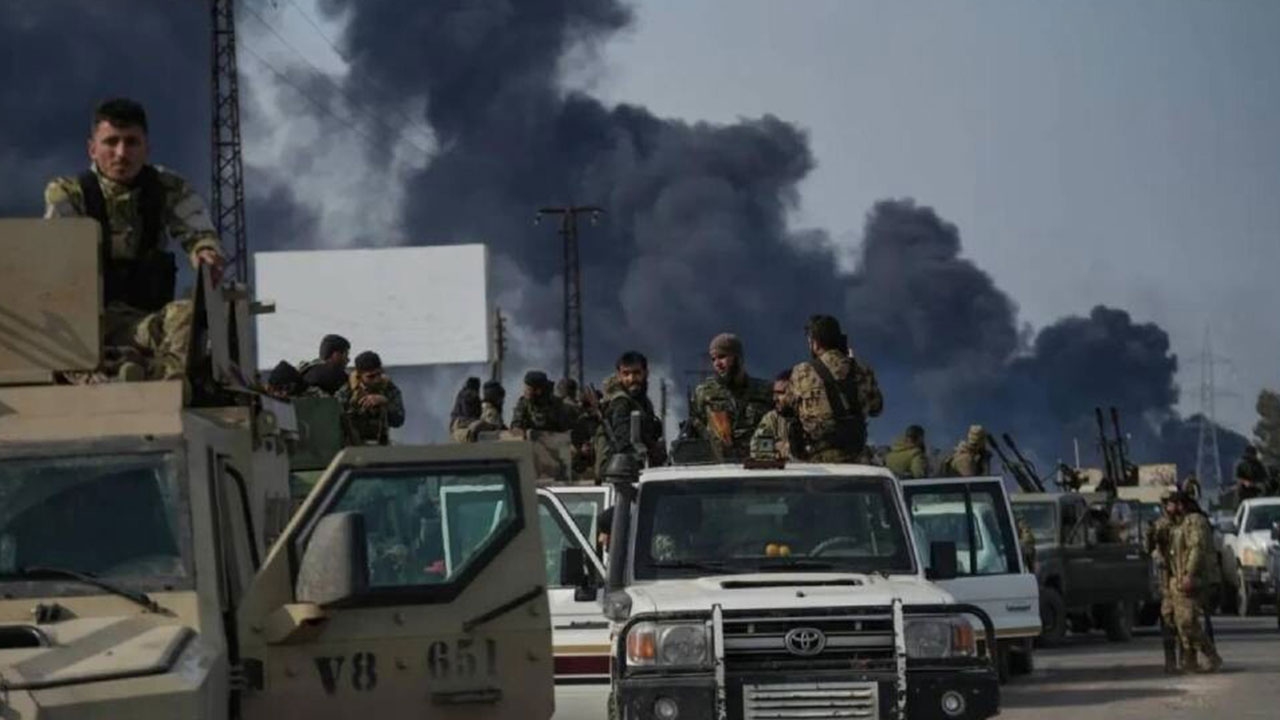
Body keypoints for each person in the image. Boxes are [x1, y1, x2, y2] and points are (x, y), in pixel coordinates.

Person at [44, 98, 226, 381]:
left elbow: (199, 233)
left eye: (131, 142)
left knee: (188, 316)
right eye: (111, 142)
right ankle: (109, 372)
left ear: (147, 149)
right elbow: (49, 254)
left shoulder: (167, 188)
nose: (121, 153)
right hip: (88, 324)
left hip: (144, 323)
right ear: (92, 149)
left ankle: (161, 377)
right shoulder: (69, 194)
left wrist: (206, 254)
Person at [786, 315, 884, 463]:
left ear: (815, 344)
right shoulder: (862, 369)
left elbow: (787, 408)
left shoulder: (801, 372)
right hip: (857, 458)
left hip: (819, 461)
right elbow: (877, 408)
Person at [690, 333, 773, 462]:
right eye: (713, 359)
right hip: (720, 469)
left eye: (722, 357)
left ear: (737, 358)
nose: (717, 363)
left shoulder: (764, 390)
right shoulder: (704, 393)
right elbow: (695, 432)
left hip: (757, 467)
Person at [1170, 490, 1223, 672]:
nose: (1167, 508)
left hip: (1196, 579)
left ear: (1180, 505)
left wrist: (1189, 575)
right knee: (1182, 622)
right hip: (1180, 578)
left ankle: (1211, 655)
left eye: (1170, 504)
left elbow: (1196, 549)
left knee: (1188, 621)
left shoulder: (1195, 521)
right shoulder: (1180, 523)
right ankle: (1190, 661)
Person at [594, 351, 667, 474]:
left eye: (636, 373)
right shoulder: (621, 403)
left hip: (633, 469)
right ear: (619, 376)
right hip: (620, 472)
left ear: (646, 373)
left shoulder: (642, 402)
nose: (631, 379)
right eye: (626, 374)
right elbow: (624, 443)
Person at [1147, 490, 1183, 674]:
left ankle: (1187, 659)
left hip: (1183, 578)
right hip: (1167, 579)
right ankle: (1171, 661)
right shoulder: (1160, 525)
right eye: (1169, 503)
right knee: (1168, 620)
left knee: (1185, 621)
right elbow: (1150, 548)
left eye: (1175, 503)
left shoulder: (1186, 523)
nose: (1173, 506)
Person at [335, 351, 405, 445]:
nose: (376, 380)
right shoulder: (347, 391)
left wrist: (385, 402)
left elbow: (398, 420)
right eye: (370, 377)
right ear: (359, 376)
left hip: (381, 445)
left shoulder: (389, 389)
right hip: (352, 447)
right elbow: (334, 421)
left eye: (378, 374)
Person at [751, 370, 798, 459]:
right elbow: (756, 448)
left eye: (781, 393)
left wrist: (781, 447)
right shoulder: (772, 418)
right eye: (774, 393)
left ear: (796, 393)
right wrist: (785, 450)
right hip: (783, 471)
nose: (774, 398)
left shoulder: (813, 417)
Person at [510, 370, 576, 434]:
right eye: (525, 388)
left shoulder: (557, 405)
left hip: (554, 442)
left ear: (538, 391)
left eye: (528, 389)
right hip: (529, 443)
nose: (525, 391)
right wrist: (520, 431)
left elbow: (567, 432)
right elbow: (516, 424)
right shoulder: (524, 403)